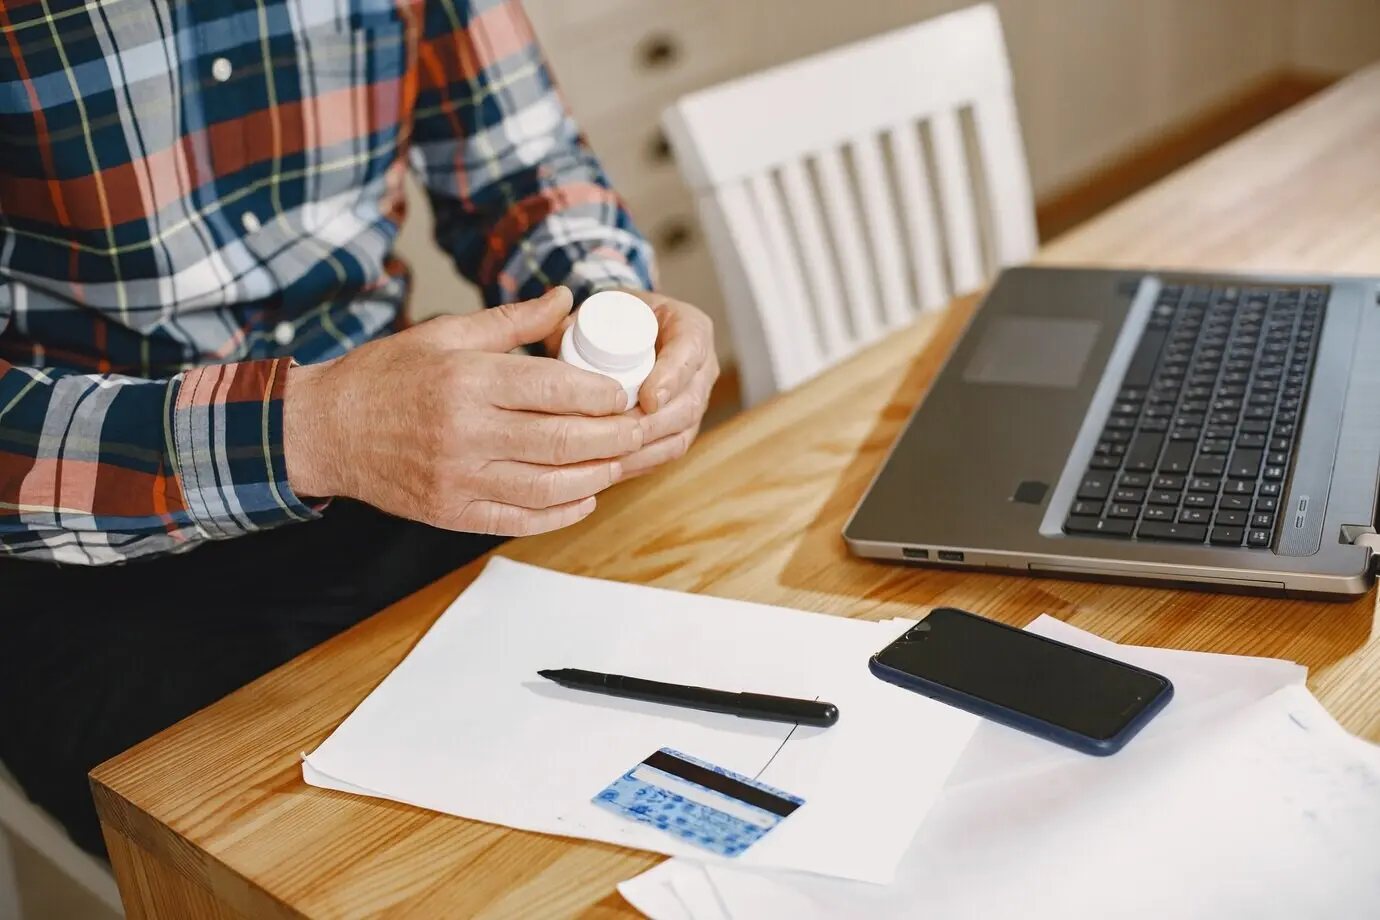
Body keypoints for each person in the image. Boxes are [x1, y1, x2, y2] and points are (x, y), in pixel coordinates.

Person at [0, 0, 718, 857]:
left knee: (645, 768)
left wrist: (607, 304)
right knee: (365, 871)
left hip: (408, 469)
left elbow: (522, 168)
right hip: (88, 558)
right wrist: (316, 428)